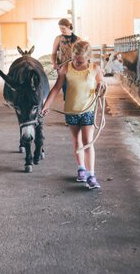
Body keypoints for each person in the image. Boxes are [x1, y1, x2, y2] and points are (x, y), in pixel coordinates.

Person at [42, 41, 105, 189]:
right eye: (75, 60)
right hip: (71, 110)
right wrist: (46, 105)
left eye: (80, 61)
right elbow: (57, 87)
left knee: (88, 142)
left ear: (88, 58)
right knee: (77, 141)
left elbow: (101, 88)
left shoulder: (94, 69)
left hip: (87, 111)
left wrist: (102, 86)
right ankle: (81, 168)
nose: (76, 63)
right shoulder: (66, 68)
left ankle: (91, 175)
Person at [51, 18, 81, 99]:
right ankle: (68, 106)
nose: (61, 30)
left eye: (63, 28)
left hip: (75, 68)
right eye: (60, 28)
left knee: (76, 88)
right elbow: (53, 53)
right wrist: (54, 63)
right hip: (62, 68)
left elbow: (82, 54)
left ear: (68, 26)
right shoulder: (58, 38)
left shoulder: (78, 39)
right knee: (66, 89)